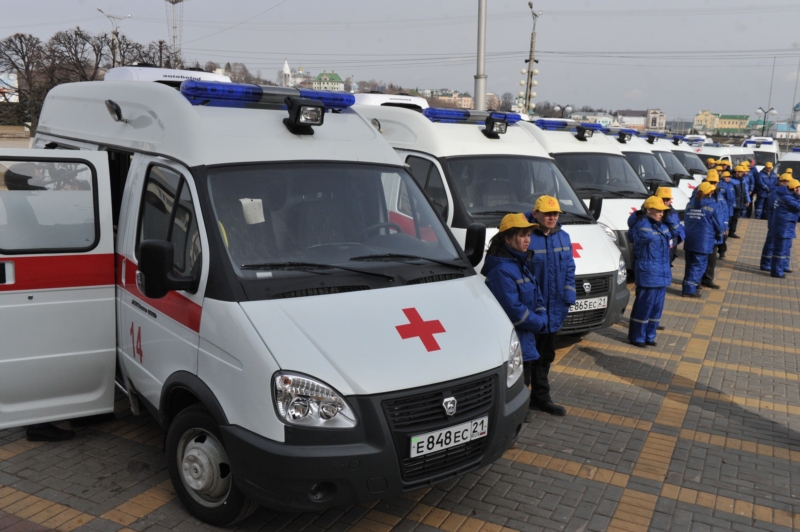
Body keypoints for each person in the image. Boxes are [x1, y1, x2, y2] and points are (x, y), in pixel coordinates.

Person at [480, 214, 562, 416]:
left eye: (529, 235)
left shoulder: (520, 262)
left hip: (527, 335)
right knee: (517, 381)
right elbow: (514, 309)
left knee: (528, 373)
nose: (528, 240)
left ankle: (529, 407)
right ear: (508, 239)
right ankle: (517, 417)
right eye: (523, 235)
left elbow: (537, 294)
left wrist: (542, 317)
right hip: (516, 338)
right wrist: (539, 323)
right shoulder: (501, 270)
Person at [522, 196, 574, 416]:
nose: (552, 217)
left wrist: (569, 296)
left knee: (545, 356)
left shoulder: (563, 237)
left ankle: (541, 398)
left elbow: (570, 268)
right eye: (547, 214)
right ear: (536, 214)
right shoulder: (525, 236)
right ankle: (520, 405)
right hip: (531, 312)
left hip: (554, 310)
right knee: (526, 359)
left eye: (555, 214)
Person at [628, 196, 672, 347]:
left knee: (656, 308)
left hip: (662, 273)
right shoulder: (642, 225)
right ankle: (637, 336)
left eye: (663, 211)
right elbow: (644, 236)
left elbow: (674, 233)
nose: (661, 214)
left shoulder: (661, 226)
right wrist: (640, 218)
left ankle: (649, 335)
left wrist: (669, 215)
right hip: (649, 273)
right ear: (648, 210)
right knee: (644, 306)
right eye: (658, 211)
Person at [683, 182, 724, 297]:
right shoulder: (712, 205)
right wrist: (720, 236)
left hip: (690, 238)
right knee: (699, 265)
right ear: (709, 193)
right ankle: (689, 290)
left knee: (690, 264)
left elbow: (686, 220)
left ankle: (689, 286)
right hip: (704, 241)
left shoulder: (689, 204)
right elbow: (719, 225)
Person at [700, 171, 727, 288]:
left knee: (712, 258)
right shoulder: (700, 192)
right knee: (701, 258)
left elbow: (723, 210)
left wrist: (725, 225)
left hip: (716, 229)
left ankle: (707, 280)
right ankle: (697, 281)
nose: (713, 184)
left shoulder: (719, 193)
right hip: (705, 231)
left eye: (715, 182)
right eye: (711, 182)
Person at [770, 179, 800, 278]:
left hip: (786, 226)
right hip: (783, 227)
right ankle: (776, 271)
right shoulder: (787, 198)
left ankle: (783, 267)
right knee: (780, 250)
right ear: (795, 189)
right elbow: (798, 207)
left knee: (786, 248)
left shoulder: (786, 196)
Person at [728, 165, 749, 237]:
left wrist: (746, 200)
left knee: (735, 218)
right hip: (732, 203)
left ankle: (732, 232)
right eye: (740, 172)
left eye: (742, 172)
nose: (742, 173)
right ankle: (726, 231)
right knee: (730, 218)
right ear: (736, 172)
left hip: (740, 202)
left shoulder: (743, 180)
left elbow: (744, 191)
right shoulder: (731, 180)